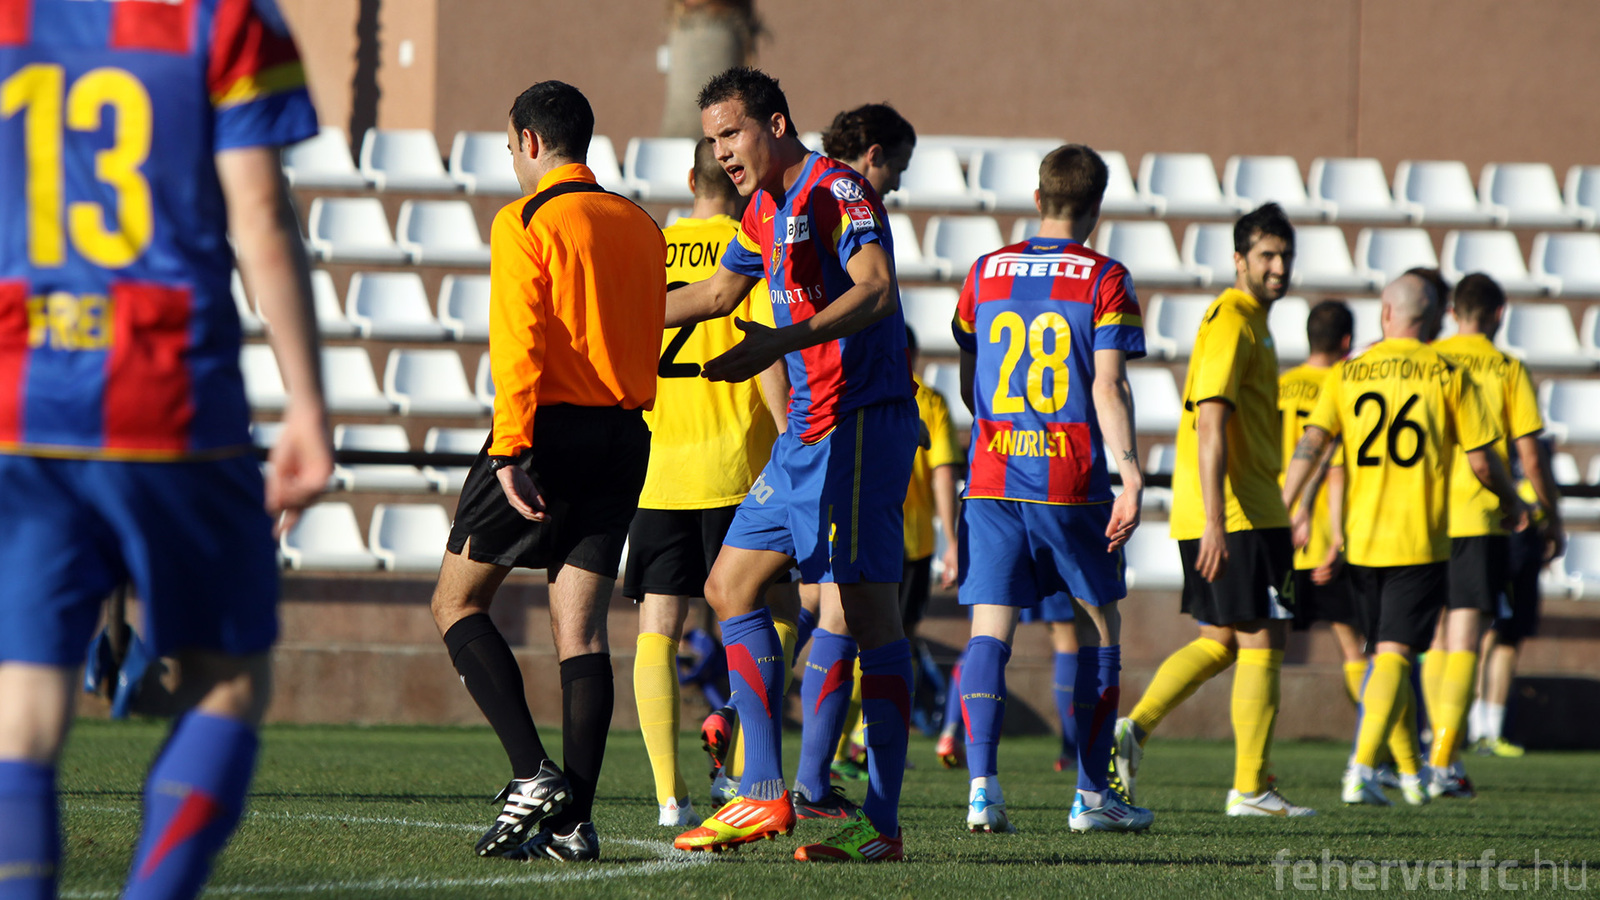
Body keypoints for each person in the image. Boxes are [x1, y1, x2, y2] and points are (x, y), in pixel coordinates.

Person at [0, 4, 333, 897]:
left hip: (22, 403)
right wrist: (307, 402)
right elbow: (258, 212)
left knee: (20, 709)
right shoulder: (223, 16)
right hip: (172, 403)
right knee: (227, 682)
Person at [666, 67, 918, 863]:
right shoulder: (761, 210)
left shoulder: (835, 190)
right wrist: (608, 319)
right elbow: (715, 295)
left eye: (731, 134)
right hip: (805, 433)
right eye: (712, 140)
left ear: (774, 125)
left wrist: (778, 341)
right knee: (728, 586)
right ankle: (765, 793)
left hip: (857, 426)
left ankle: (881, 824)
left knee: (867, 616)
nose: (722, 152)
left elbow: (876, 290)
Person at [429, 81, 666, 862]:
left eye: (510, 147)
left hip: (548, 432)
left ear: (530, 142)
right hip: (625, 434)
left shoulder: (526, 219)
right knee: (583, 631)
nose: (511, 160)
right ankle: (574, 826)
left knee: (456, 601)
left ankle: (533, 774)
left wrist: (511, 449)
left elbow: (519, 341)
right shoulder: (641, 224)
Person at [950, 144, 1151, 835]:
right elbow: (1108, 384)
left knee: (990, 630)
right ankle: (1092, 797)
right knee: (1099, 628)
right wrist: (1130, 472)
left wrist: (995, 429)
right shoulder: (1105, 276)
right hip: (1069, 479)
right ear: (1096, 209)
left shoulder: (985, 270)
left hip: (992, 474)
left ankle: (982, 789)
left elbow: (970, 368)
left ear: (1037, 199)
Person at [1282, 272, 1526, 808]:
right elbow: (1483, 461)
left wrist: (1286, 504)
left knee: (1382, 653)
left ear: (1386, 314)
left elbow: (1313, 443)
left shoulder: (1348, 371)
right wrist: (1514, 502)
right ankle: (1362, 766)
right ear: (1435, 317)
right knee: (1395, 651)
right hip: (1418, 537)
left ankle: (1410, 770)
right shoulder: (1447, 372)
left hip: (1361, 538)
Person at [1113, 203, 1314, 818]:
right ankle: (1250, 788)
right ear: (1239, 260)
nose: (1278, 267)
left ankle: (1132, 730)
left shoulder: (1253, 321)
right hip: (1237, 511)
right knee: (1263, 638)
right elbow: (1210, 422)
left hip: (1240, 508)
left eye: (1285, 256)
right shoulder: (1232, 321)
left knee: (1222, 640)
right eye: (1266, 255)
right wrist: (1216, 523)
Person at [626, 139, 790, 828]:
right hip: (738, 468)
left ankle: (670, 797)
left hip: (659, 468)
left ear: (688, 180)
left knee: (656, 632)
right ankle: (747, 771)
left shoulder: (650, 249)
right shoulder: (752, 246)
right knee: (775, 614)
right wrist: (793, 444)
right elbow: (767, 356)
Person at [1426, 273, 1563, 796]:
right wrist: (1549, 516)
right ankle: (1444, 759)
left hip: (1426, 514)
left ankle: (1430, 743)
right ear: (1499, 313)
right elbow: (1531, 455)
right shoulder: (1507, 368)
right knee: (1466, 637)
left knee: (1436, 637)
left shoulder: (1430, 359)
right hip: (1480, 513)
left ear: (1452, 311)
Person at [1278, 301, 1366, 702]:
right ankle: (1375, 732)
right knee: (1352, 645)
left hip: (1278, 526)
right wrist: (1337, 537)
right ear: (1346, 341)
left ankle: (1257, 739)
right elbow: (1335, 466)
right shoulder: (1343, 385)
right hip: (1322, 532)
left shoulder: (1280, 385)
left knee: (1265, 648)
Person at [1472, 436, 1563, 756]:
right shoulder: (1519, 436)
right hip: (1510, 537)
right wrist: (1554, 522)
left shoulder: (1492, 428)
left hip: (1504, 537)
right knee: (1494, 633)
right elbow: (1535, 468)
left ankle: (1484, 728)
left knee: (1500, 634)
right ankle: (1481, 729)